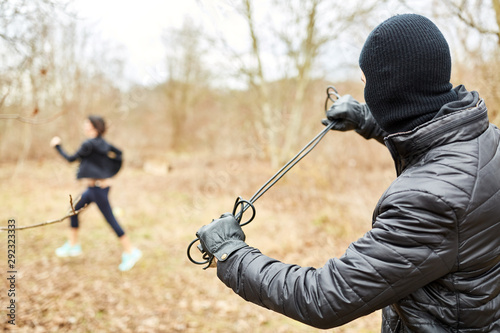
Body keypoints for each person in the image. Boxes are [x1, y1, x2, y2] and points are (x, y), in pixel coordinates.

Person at [196, 14, 500, 331]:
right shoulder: (484, 138)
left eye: (367, 81)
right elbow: (430, 141)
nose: (364, 87)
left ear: (390, 90)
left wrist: (232, 254)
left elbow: (325, 297)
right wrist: (364, 117)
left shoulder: (427, 202)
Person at [50, 115, 142, 272]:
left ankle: (131, 251)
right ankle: (73, 246)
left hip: (97, 190)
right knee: (72, 211)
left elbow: (71, 159)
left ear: (94, 127)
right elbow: (119, 154)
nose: (84, 127)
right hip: (94, 189)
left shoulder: (89, 144)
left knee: (110, 220)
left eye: (87, 124)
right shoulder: (103, 144)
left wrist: (57, 146)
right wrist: (108, 173)